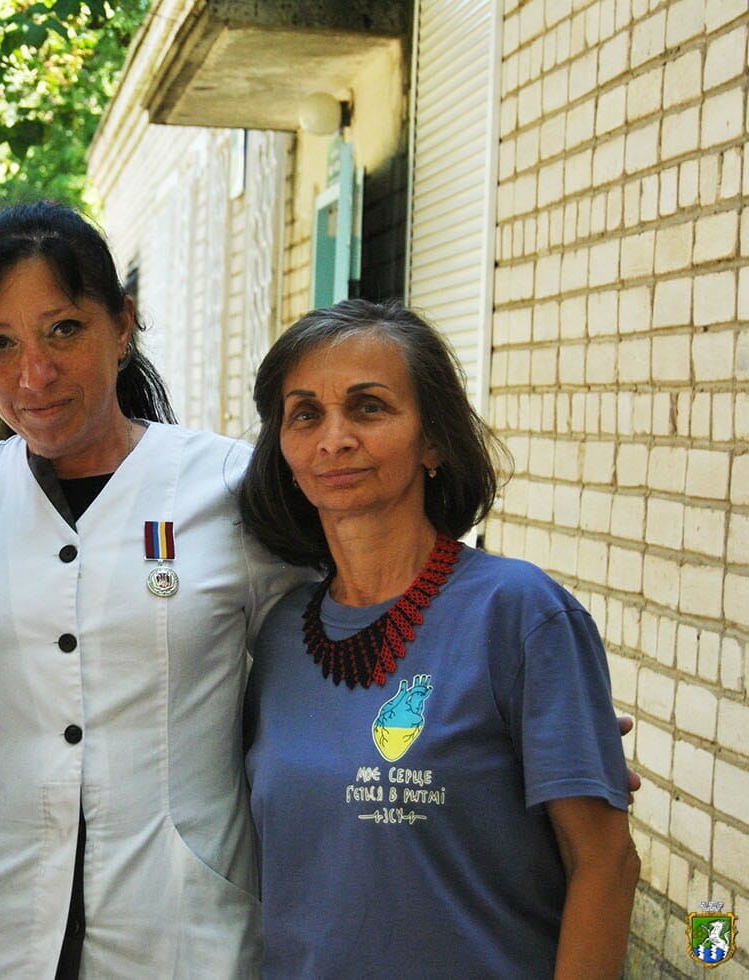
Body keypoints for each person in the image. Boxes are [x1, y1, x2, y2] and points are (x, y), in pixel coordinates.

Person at [0, 201, 312, 978]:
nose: (34, 374)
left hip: (181, 925)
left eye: (63, 329)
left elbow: (364, 620)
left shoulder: (229, 487)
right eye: (0, 344)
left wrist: (495, 693)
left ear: (122, 325)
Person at [238, 299, 639, 978]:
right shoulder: (278, 636)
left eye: (368, 407)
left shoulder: (519, 614)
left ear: (434, 440)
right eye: (305, 414)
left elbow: (604, 863)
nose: (333, 439)